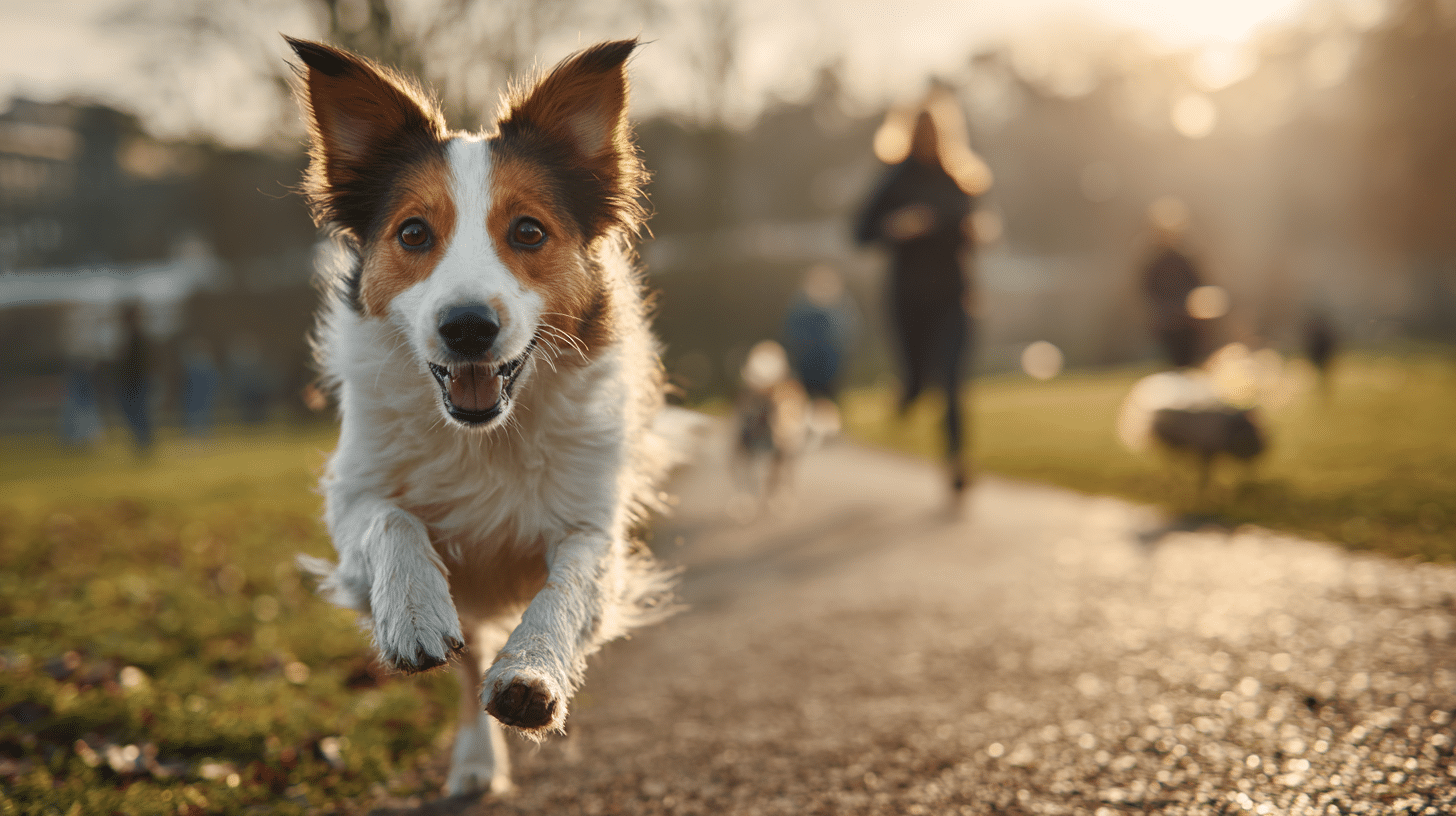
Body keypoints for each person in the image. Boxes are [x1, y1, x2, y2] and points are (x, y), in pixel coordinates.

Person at [854, 92, 989, 496]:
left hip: (953, 295)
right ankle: (907, 390)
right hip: (909, 299)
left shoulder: (958, 179)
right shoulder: (896, 179)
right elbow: (860, 233)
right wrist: (896, 226)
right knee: (918, 383)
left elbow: (970, 233)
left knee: (951, 383)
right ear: (910, 132)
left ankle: (956, 462)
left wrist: (976, 233)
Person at [1141, 199, 1206, 368]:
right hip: (1167, 320)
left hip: (1187, 319)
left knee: (1189, 358)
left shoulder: (1186, 257)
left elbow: (1196, 284)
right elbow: (1149, 289)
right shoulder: (1153, 260)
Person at [115, 302, 153, 454]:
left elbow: (140, 362)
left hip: (135, 382)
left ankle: (143, 442)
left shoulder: (136, 337)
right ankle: (142, 442)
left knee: (137, 412)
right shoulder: (131, 336)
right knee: (136, 413)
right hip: (132, 382)